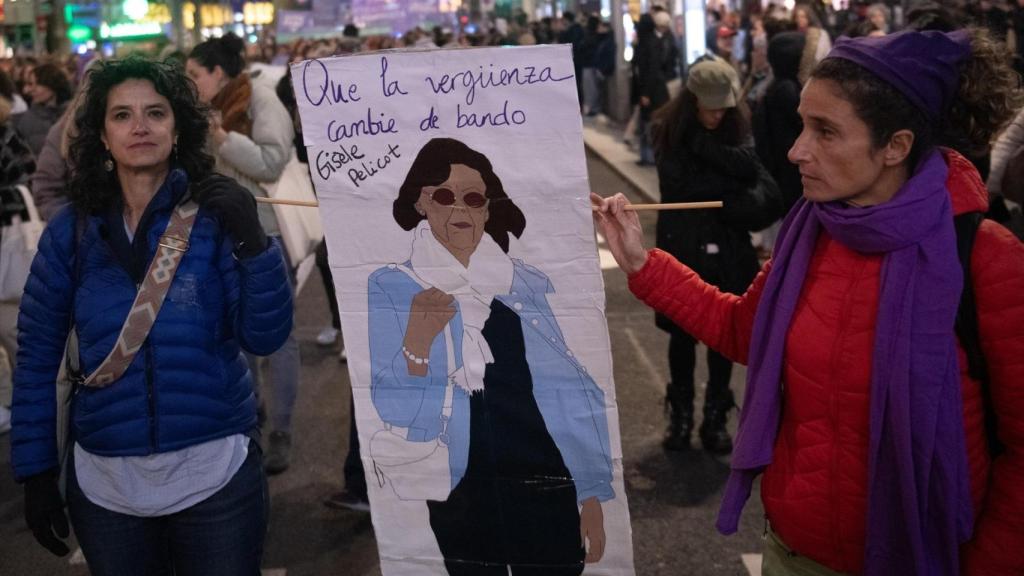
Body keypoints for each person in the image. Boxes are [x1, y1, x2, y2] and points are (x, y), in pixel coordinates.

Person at [594, 28, 1024, 575]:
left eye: (825, 131)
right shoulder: (811, 235)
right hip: (792, 552)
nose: (797, 150)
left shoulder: (987, 260)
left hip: (925, 559)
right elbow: (740, 329)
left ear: (896, 146)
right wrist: (640, 262)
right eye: (803, 125)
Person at [10, 55, 293, 573]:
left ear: (178, 127)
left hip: (216, 476)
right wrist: (35, 471)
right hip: (106, 485)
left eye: (155, 113)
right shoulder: (71, 232)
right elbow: (35, 360)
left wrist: (254, 241)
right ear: (100, 134)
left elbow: (265, 336)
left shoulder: (215, 218)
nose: (139, 126)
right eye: (121, 115)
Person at [369, 138, 614, 574]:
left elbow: (570, 388)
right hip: (460, 486)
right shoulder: (394, 286)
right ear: (421, 203)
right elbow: (391, 407)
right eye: (443, 196)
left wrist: (591, 491)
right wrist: (417, 345)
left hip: (544, 478)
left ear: (487, 209)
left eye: (474, 198)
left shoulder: (525, 283)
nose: (459, 209)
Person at [186, 33, 300, 475]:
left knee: (280, 336)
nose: (191, 82)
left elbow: (274, 161)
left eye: (196, 74)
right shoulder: (199, 110)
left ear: (218, 73)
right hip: (215, 234)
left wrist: (222, 138)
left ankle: (282, 429)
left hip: (263, 234)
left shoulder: (259, 100)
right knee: (234, 331)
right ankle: (251, 413)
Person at [651, 59, 775, 453]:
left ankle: (716, 416)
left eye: (723, 107)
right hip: (683, 243)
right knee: (681, 334)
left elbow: (754, 173)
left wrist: (704, 150)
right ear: (692, 101)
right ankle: (681, 415)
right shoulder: (667, 130)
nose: (717, 114)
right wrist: (727, 176)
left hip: (728, 246)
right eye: (710, 107)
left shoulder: (737, 129)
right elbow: (680, 186)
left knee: (723, 333)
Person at [13, 62, 72, 157]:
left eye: (37, 84)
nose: (30, 90)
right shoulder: (27, 119)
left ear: (51, 84)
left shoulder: (73, 114)